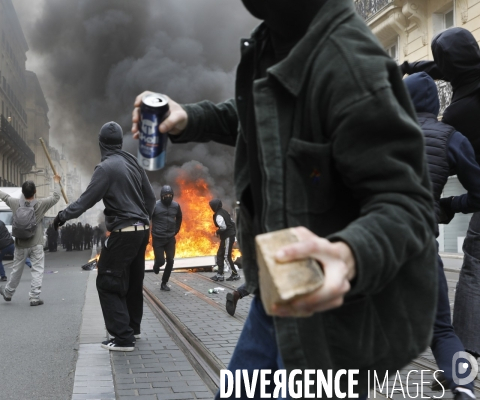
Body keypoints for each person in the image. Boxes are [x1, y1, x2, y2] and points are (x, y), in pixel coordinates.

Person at [131, 0, 437, 396]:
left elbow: (409, 204)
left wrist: (347, 253)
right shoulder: (277, 42)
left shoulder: (351, 65)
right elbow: (257, 115)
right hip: (279, 291)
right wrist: (189, 118)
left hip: (336, 320)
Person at [401, 28, 480, 362]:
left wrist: (446, 204)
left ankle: (466, 353)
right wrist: (409, 66)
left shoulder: (458, 114)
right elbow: (444, 67)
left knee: (475, 264)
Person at [54, 121, 155, 352]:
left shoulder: (105, 168)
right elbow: (150, 198)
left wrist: (62, 216)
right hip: (141, 231)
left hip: (124, 232)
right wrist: (143, 220)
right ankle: (133, 329)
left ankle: (122, 338)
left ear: (101, 144)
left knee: (107, 281)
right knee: (133, 281)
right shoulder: (133, 162)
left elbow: (85, 201)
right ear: (120, 143)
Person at [0, 176, 61, 306]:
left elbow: (5, 197)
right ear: (35, 191)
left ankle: (8, 293)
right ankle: (34, 297)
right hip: (36, 243)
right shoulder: (41, 204)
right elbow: (55, 197)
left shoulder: (15, 203)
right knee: (37, 270)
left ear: (22, 192)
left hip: (20, 244)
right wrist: (57, 182)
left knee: (16, 270)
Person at [151, 185, 183, 291]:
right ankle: (156, 265)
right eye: (165, 195)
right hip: (158, 238)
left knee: (170, 260)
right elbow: (148, 218)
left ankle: (164, 283)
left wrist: (176, 230)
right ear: (161, 196)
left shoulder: (176, 206)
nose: (168, 197)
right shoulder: (155, 206)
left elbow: (179, 217)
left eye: (170, 195)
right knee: (161, 261)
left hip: (170, 238)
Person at [209, 199, 240, 282]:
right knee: (220, 254)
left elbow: (223, 227)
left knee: (226, 256)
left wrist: (217, 232)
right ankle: (220, 275)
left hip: (228, 237)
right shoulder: (224, 212)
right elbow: (232, 223)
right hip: (228, 236)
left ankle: (235, 274)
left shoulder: (218, 215)